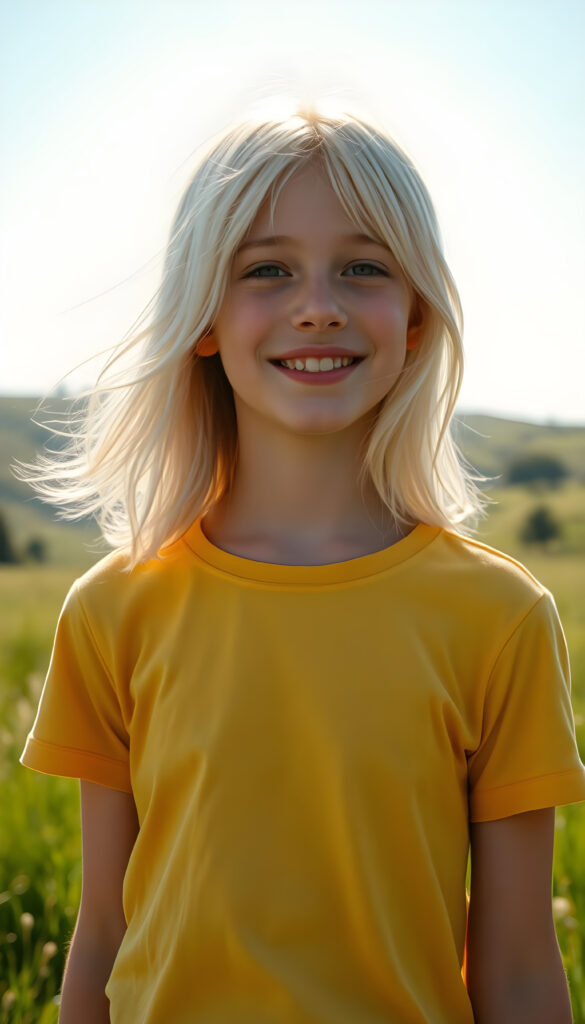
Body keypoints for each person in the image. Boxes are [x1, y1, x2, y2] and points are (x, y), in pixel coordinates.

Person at [20, 106, 585, 1024]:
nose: (316, 303)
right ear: (202, 316)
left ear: (414, 318)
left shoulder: (499, 615)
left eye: (363, 268)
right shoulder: (113, 608)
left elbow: (520, 971)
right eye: (266, 269)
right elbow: (101, 936)